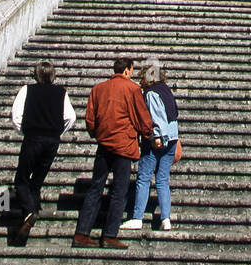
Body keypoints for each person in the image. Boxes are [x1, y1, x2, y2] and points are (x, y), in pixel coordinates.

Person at [72, 57, 153, 249]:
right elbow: (143, 118)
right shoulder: (132, 89)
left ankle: (82, 232)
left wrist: (97, 133)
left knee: (95, 187)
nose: (132, 74)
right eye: (132, 70)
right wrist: (147, 133)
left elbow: (90, 119)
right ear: (126, 70)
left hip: (104, 144)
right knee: (119, 191)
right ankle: (109, 235)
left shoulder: (98, 89)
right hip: (124, 145)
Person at [10, 61, 77, 240]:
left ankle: (30, 212)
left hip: (33, 138)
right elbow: (71, 117)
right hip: (52, 141)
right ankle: (31, 213)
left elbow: (16, 116)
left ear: (36, 75)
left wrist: (26, 131)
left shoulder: (27, 90)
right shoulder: (61, 92)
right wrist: (57, 131)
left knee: (22, 179)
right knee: (37, 180)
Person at [123, 59, 180, 232]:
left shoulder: (151, 93)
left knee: (144, 177)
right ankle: (166, 218)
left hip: (158, 140)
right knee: (162, 180)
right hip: (172, 138)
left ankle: (137, 217)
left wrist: (156, 137)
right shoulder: (166, 90)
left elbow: (156, 118)